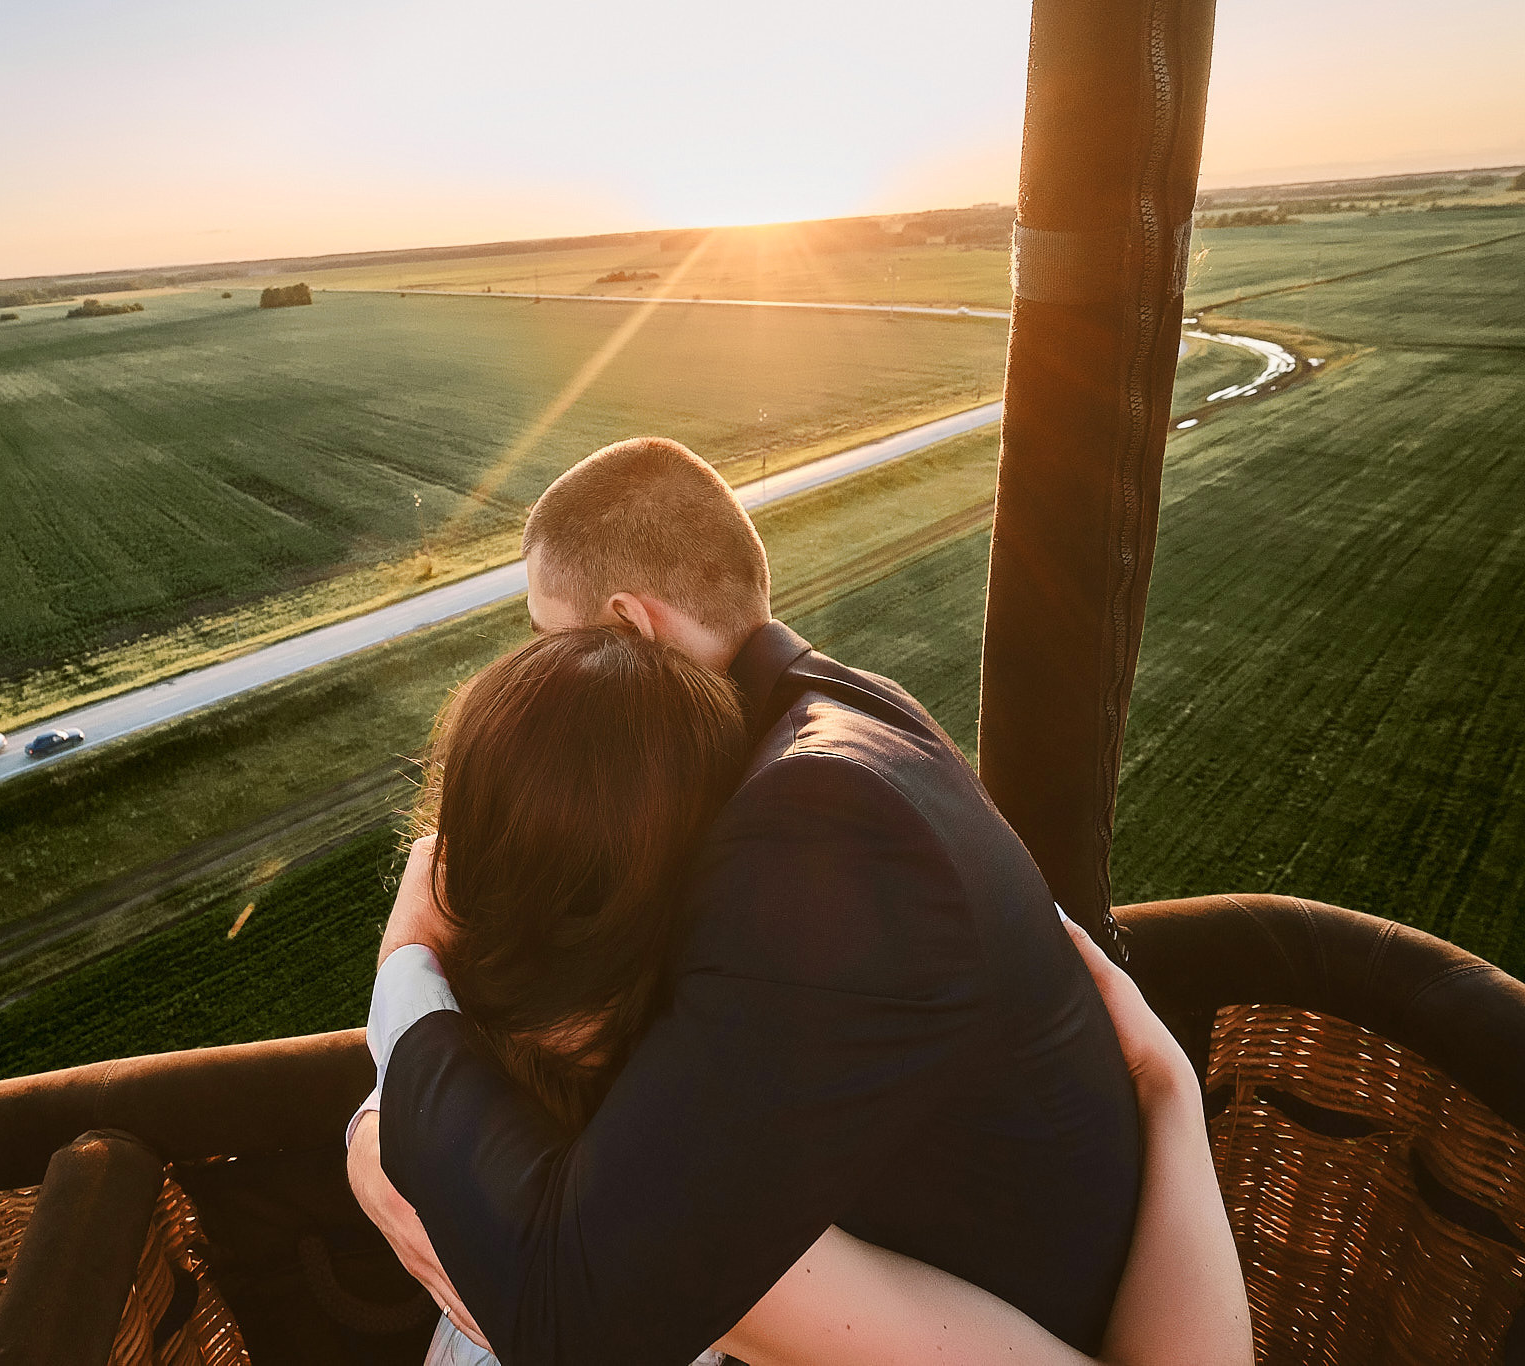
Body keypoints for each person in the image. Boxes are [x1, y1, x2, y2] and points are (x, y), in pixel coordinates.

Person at [344, 436, 1163, 1365]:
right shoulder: (847, 715)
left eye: (551, 637)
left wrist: (408, 981)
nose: (549, 671)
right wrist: (380, 1128)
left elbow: (574, 1315)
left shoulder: (822, 822)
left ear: (627, 630)